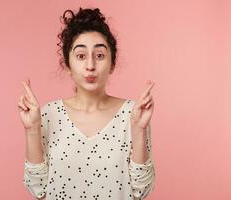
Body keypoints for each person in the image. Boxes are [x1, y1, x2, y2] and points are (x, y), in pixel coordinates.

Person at [18, 7, 156, 200]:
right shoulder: (48, 114)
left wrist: (139, 129)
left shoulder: (132, 114)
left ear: (112, 63)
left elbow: (141, 190)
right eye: (81, 56)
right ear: (67, 64)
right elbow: (38, 189)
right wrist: (32, 129)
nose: (90, 66)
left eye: (99, 55)